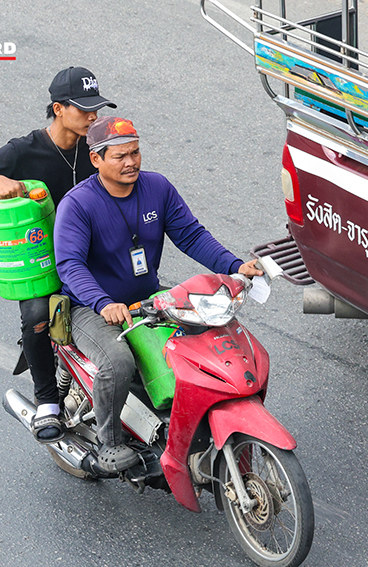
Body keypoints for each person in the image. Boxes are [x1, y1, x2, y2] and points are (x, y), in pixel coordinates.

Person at [53, 116, 263, 472]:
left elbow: (191, 235)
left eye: (135, 152)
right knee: (118, 362)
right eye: (119, 156)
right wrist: (104, 303)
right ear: (96, 160)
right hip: (88, 306)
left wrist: (234, 266)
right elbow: (70, 265)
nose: (131, 162)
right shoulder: (79, 205)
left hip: (148, 296)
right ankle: (109, 443)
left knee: (211, 333)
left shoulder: (157, 189)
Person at [0, 67, 116, 443]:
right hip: (43, 260)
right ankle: (47, 403)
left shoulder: (95, 149)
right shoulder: (25, 150)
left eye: (97, 109)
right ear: (58, 109)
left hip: (88, 254)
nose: (93, 117)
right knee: (38, 314)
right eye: (84, 110)